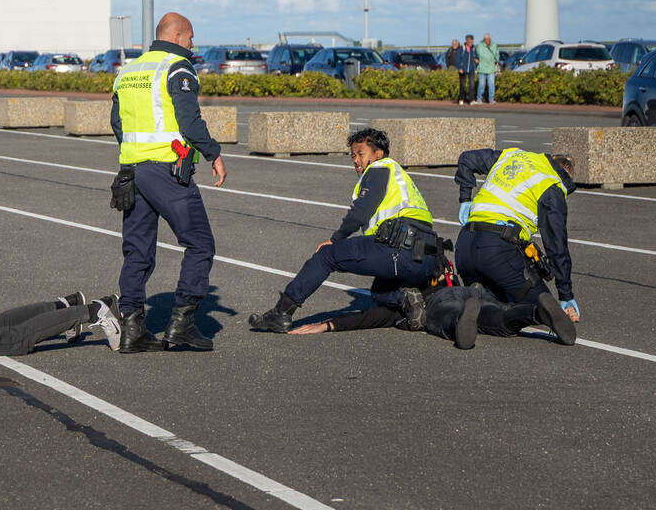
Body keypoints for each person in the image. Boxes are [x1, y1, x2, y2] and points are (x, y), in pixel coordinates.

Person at [109, 11, 227, 353]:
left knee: (137, 251)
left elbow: (117, 122)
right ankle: (181, 324)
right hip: (167, 170)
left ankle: (132, 328)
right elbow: (189, 121)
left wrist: (135, 154)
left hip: (131, 172)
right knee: (200, 244)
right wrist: (214, 154)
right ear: (177, 36)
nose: (193, 44)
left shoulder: (128, 70)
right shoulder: (176, 67)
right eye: (190, 38)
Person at [248, 128, 440, 333]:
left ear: (378, 154)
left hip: (399, 248)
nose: (356, 160)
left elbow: (360, 212)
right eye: (353, 156)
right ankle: (406, 298)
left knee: (325, 256)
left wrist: (336, 239)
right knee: (379, 292)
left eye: (360, 154)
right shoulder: (400, 177)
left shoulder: (378, 169)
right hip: (425, 258)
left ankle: (281, 313)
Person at [454, 148, 581, 325]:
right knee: (542, 307)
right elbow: (556, 245)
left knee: (499, 294)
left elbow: (467, 158)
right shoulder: (552, 185)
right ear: (566, 176)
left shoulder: (512, 155)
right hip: (495, 250)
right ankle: (491, 306)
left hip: (464, 245)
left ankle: (482, 295)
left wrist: (465, 198)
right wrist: (566, 294)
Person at [288, 281, 575, 348]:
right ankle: (536, 312)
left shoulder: (400, 296)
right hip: (467, 288)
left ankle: (460, 327)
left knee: (442, 318)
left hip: (439, 300)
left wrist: (328, 324)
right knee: (498, 318)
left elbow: (370, 317)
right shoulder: (426, 261)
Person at [475, 32, 501, 104]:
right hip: (481, 68)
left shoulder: (494, 45)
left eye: (488, 39)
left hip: (491, 69)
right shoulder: (479, 46)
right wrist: (475, 59)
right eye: (486, 39)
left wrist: (496, 61)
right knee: (481, 85)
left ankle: (491, 99)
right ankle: (479, 99)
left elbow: (497, 55)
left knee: (491, 84)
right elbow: (475, 54)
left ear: (490, 39)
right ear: (484, 39)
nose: (487, 40)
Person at [457, 34, 478, 105]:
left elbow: (476, 56)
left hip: (471, 69)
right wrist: (459, 68)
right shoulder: (461, 48)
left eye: (472, 41)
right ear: (466, 41)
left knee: (472, 85)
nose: (471, 43)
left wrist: (477, 60)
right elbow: (458, 59)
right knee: (462, 85)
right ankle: (461, 99)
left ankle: (471, 100)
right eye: (470, 41)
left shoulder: (474, 48)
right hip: (463, 70)